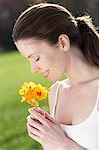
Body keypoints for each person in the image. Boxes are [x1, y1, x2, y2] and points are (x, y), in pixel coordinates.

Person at [12, 3, 99, 150]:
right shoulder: (56, 92)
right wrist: (46, 136)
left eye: (36, 58)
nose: (33, 69)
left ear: (63, 43)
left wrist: (63, 144)